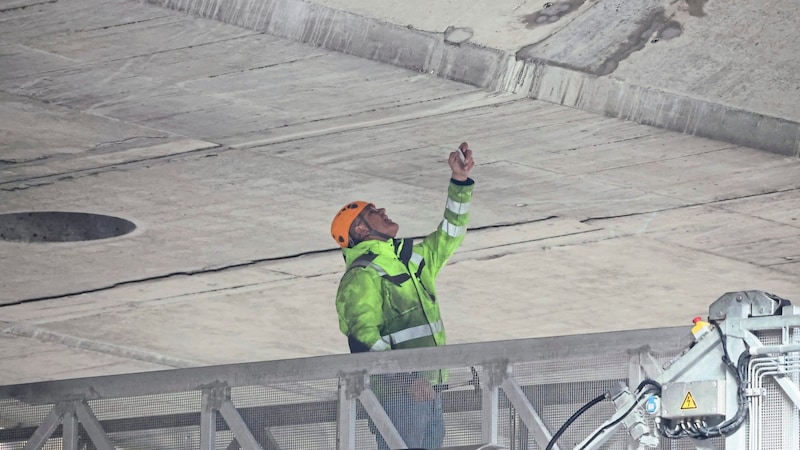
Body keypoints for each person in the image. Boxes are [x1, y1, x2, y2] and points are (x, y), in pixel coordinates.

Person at [330, 142, 475, 450]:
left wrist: (459, 182)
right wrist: (407, 381)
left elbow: (451, 232)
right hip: (402, 397)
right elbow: (364, 340)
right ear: (360, 229)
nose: (383, 211)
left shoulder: (412, 260)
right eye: (373, 212)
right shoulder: (362, 275)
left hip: (430, 389)